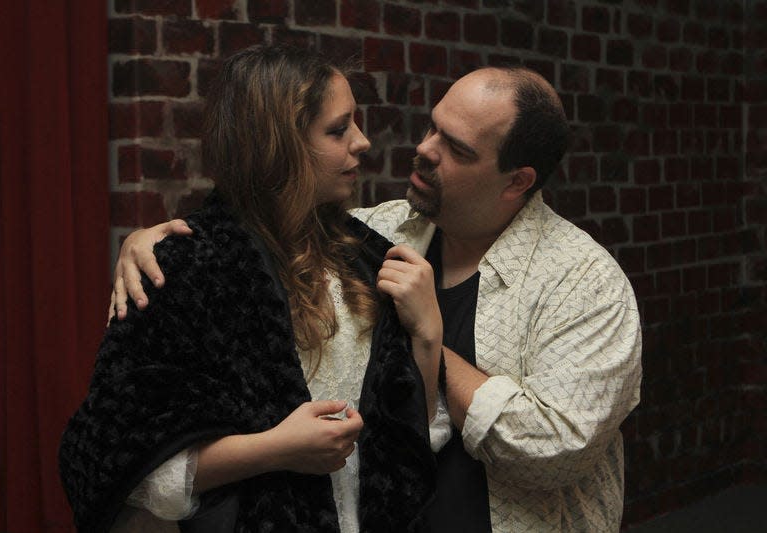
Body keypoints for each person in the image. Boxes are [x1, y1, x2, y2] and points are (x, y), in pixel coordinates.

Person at [114, 64, 643, 532]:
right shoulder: (370, 233)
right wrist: (159, 239)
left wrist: (428, 338)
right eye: (434, 125)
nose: (425, 148)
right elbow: (263, 235)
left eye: (456, 149)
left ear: (516, 181)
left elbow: (554, 449)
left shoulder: (582, 281)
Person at [59, 44, 452, 533]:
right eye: (338, 129)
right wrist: (276, 449)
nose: (363, 142)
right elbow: (113, 460)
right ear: (279, 144)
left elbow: (413, 439)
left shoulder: (368, 256)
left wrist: (428, 335)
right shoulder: (189, 267)